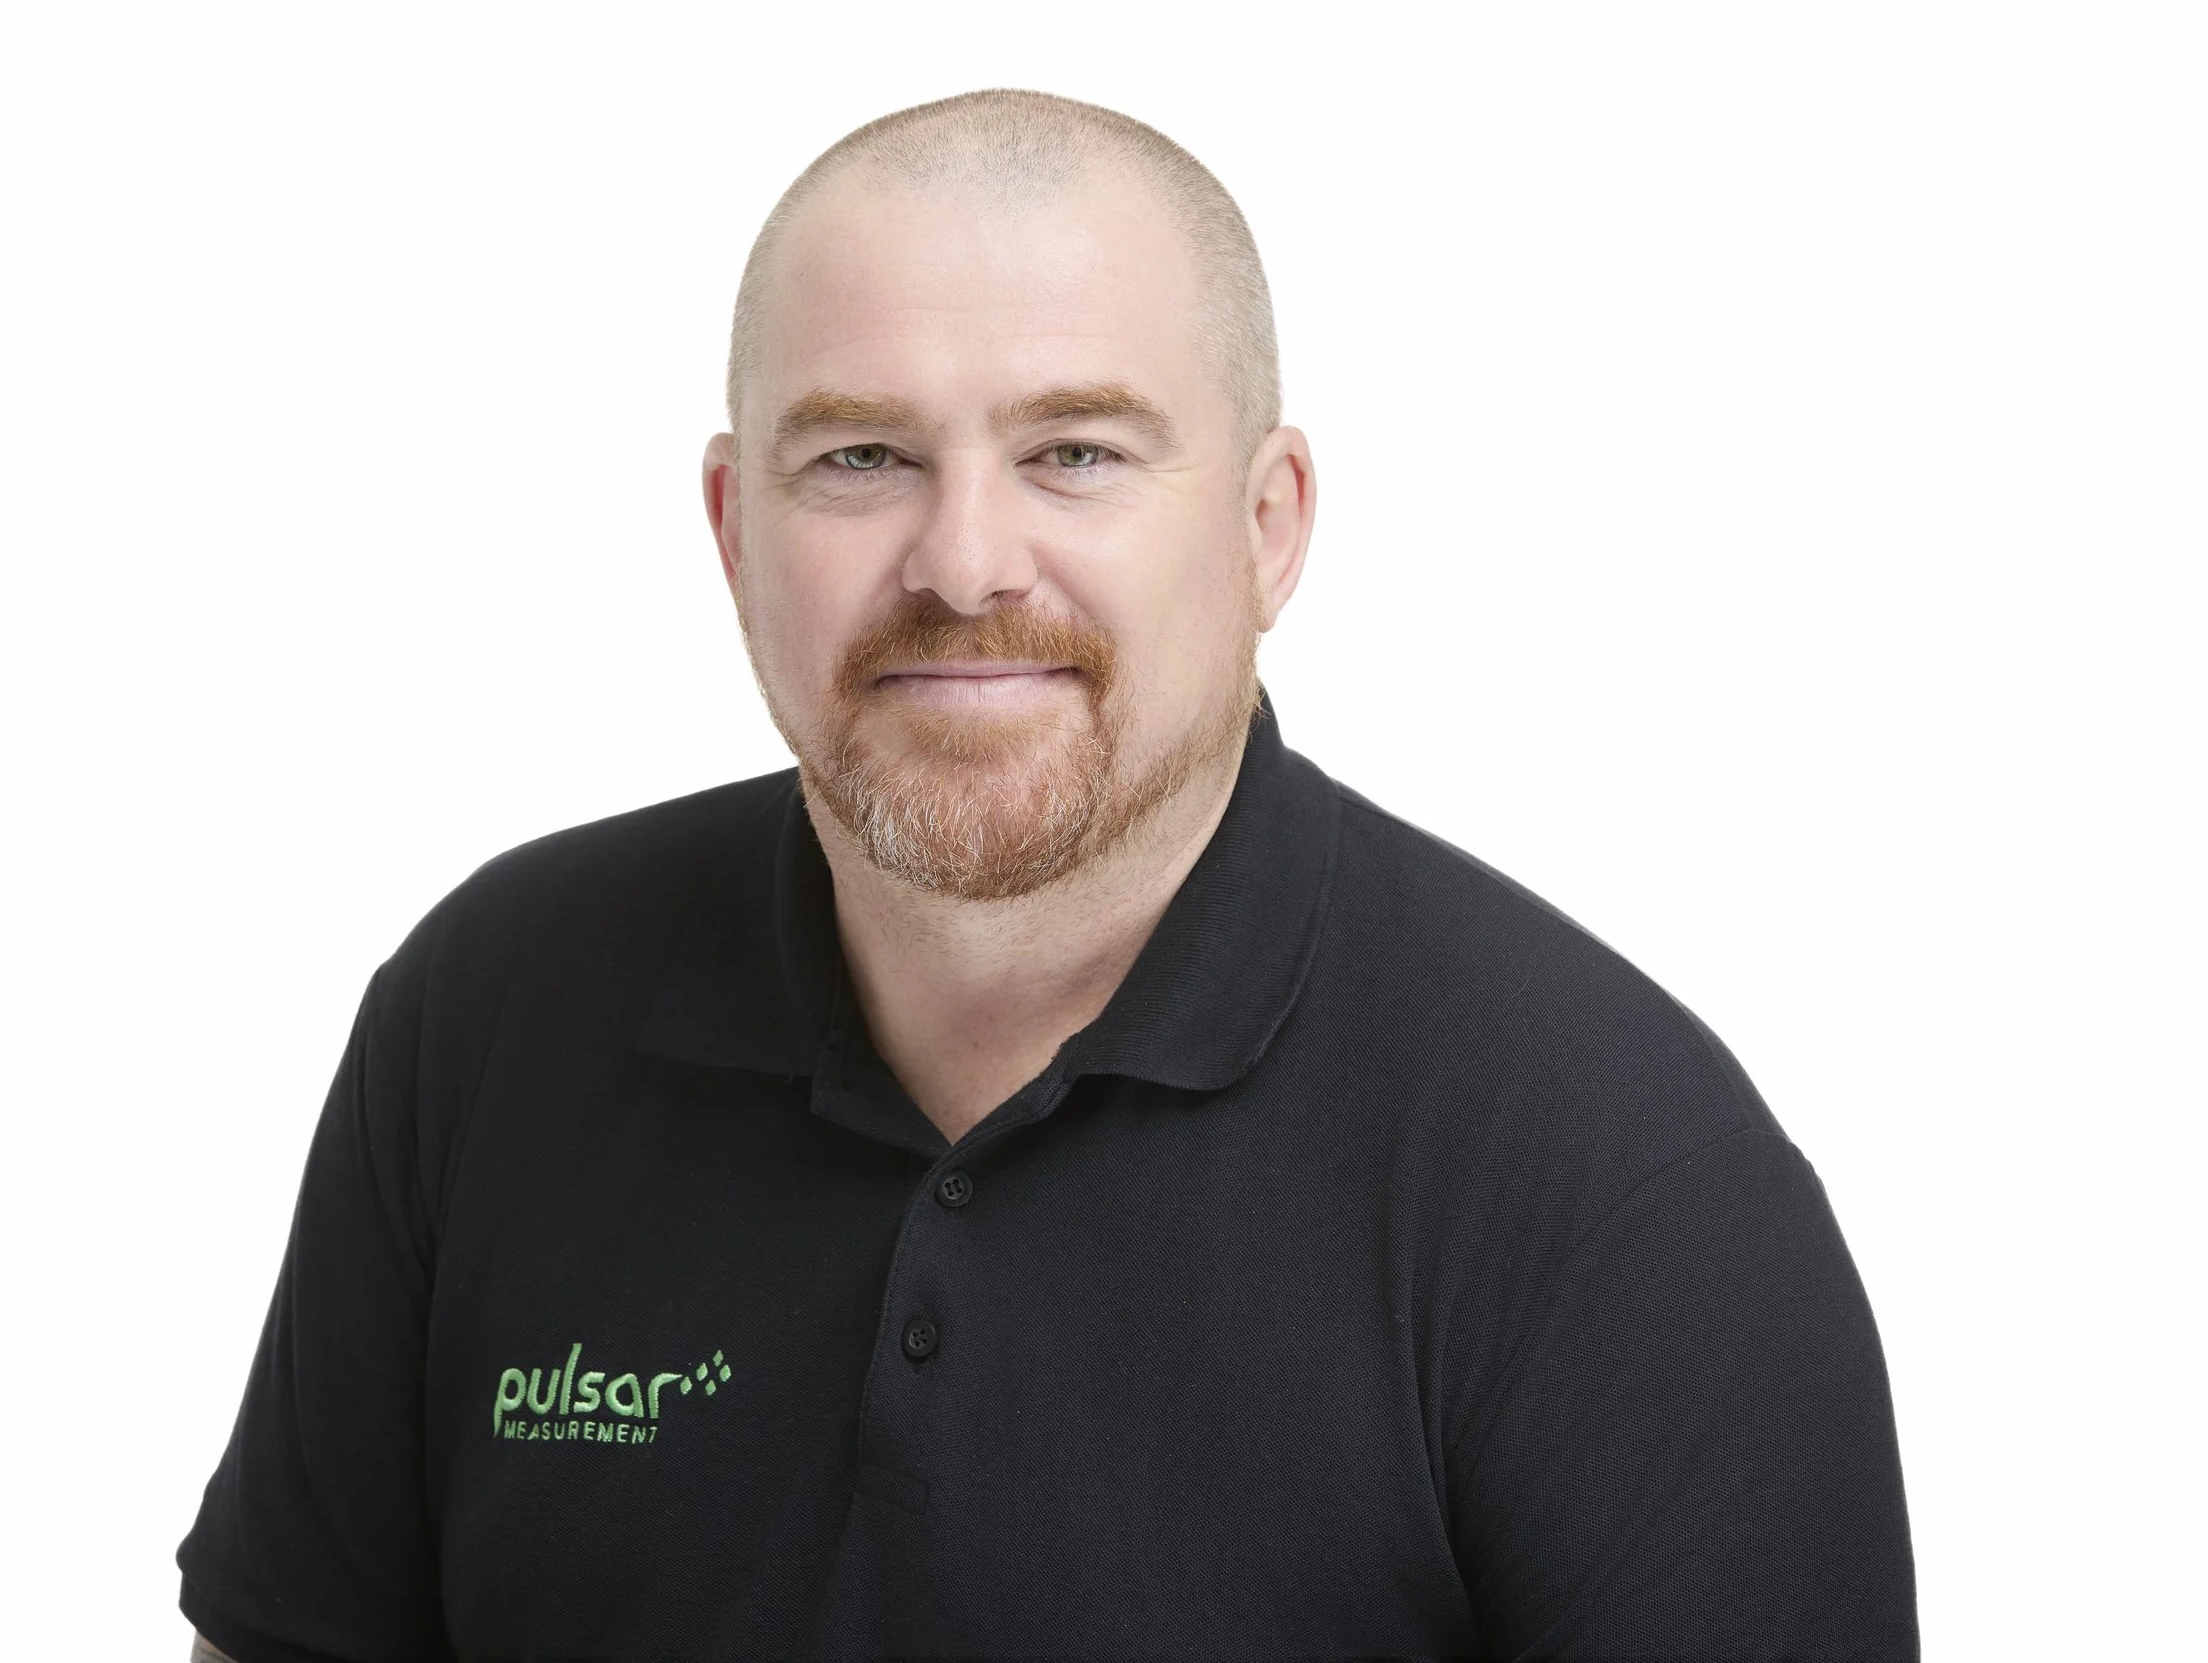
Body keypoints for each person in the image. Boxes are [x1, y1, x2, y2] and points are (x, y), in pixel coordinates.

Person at [179, 88, 1917, 1661]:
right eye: (860, 456)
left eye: (1075, 451)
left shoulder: (1617, 1181)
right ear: (730, 529)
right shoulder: (486, 1022)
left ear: (1267, 527)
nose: (963, 560)